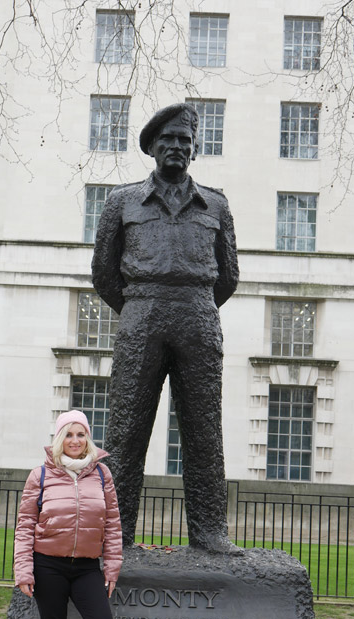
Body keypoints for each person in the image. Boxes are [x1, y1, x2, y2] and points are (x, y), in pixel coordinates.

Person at [92, 102, 243, 555]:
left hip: (197, 315)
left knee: (204, 428)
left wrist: (192, 303)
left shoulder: (215, 203)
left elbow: (229, 273)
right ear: (153, 148)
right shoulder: (121, 201)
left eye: (185, 141)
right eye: (168, 140)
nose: (177, 147)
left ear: (195, 150)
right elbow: (103, 272)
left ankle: (209, 532)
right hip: (141, 314)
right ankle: (117, 534)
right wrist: (141, 303)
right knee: (126, 430)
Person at [14, 409, 123, 619]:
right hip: (48, 565)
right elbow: (25, 526)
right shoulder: (41, 476)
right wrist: (24, 568)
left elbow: (114, 525)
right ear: (60, 439)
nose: (75, 441)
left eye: (81, 434)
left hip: (87, 566)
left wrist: (112, 565)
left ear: (87, 438)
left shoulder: (102, 475)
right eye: (69, 434)